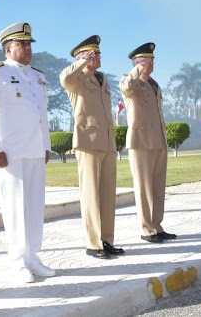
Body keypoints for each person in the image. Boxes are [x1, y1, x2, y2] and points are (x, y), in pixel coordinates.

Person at [0, 22, 54, 283]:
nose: (28, 48)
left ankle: (32, 256)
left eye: (30, 43)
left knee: (34, 205)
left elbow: (42, 114)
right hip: (9, 152)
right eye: (22, 44)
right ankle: (17, 260)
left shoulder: (38, 76)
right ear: (8, 48)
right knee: (14, 205)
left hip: (34, 149)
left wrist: (46, 145)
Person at [60, 35, 124, 259]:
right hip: (87, 142)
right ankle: (93, 243)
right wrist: (81, 62)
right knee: (91, 194)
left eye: (98, 54)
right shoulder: (77, 79)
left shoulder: (102, 79)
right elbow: (64, 77)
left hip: (106, 143)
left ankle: (106, 240)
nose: (97, 57)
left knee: (107, 194)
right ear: (82, 57)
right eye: (92, 54)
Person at [119, 42, 176, 244]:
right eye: (146, 60)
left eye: (152, 60)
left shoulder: (154, 84)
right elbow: (126, 88)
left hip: (158, 139)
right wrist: (137, 70)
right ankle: (146, 229)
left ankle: (157, 225)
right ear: (137, 63)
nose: (151, 63)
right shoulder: (129, 81)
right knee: (143, 187)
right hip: (140, 141)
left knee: (158, 186)